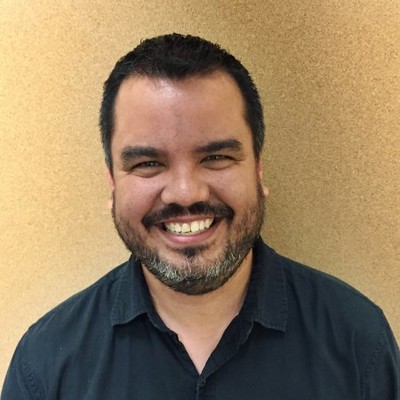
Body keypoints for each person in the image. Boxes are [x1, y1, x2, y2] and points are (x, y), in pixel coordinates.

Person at [1, 33, 399, 400]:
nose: (186, 193)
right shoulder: (44, 367)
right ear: (112, 183)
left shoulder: (359, 344)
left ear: (258, 170)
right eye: (148, 163)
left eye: (216, 157)